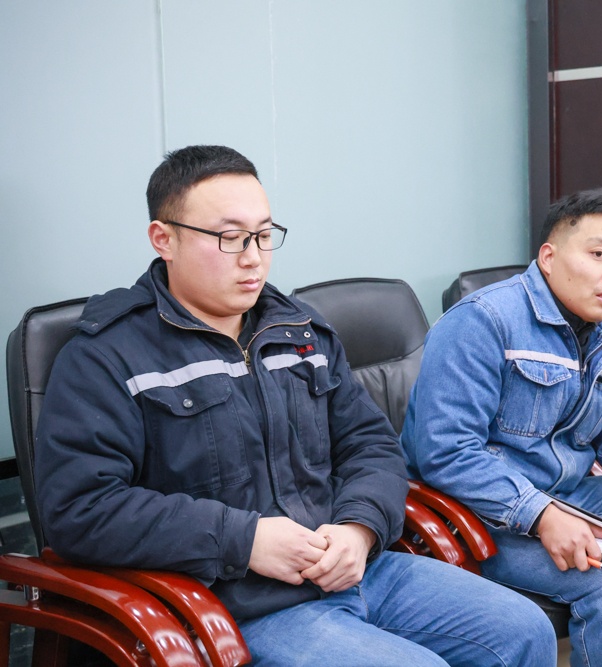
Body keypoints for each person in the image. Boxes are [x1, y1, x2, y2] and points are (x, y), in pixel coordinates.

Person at [33, 145, 557, 666]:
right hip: (233, 603)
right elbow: (80, 508)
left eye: (264, 235)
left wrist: (359, 527)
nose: (253, 257)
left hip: (353, 568)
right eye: (230, 238)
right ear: (163, 238)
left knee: (523, 629)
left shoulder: (299, 331)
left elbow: (371, 445)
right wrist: (244, 540)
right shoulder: (108, 354)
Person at [401, 186, 602, 667]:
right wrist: (542, 514)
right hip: (474, 515)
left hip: (563, 495)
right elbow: (446, 453)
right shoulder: (483, 321)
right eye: (598, 255)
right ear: (548, 258)